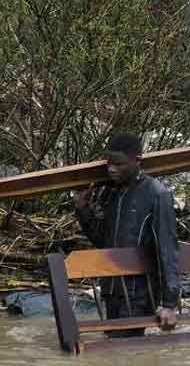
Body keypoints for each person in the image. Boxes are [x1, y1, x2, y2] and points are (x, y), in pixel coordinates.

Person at [73, 134, 180, 337]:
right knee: (116, 351)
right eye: (109, 163)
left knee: (124, 350)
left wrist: (169, 303)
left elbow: (167, 249)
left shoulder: (156, 194)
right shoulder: (111, 193)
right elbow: (102, 241)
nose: (111, 169)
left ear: (137, 161)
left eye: (119, 164)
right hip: (112, 288)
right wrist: (82, 208)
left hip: (138, 292)